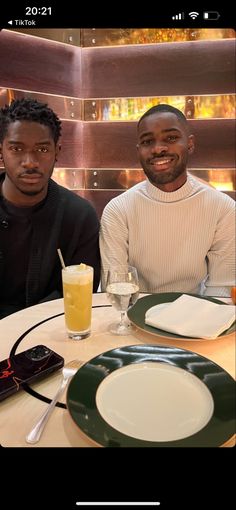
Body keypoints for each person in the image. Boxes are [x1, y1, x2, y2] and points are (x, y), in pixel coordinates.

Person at [100, 104, 235, 296]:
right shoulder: (118, 210)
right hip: (134, 317)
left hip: (195, 317)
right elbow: (116, 289)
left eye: (171, 138)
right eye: (147, 142)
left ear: (190, 143)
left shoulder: (223, 209)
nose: (158, 149)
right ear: (139, 150)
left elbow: (221, 289)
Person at [0, 98, 100, 319]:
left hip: (47, 333)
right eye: (16, 148)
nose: (30, 162)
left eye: (42, 149)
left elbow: (79, 294)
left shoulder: (80, 216)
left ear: (57, 151)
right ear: (1, 152)